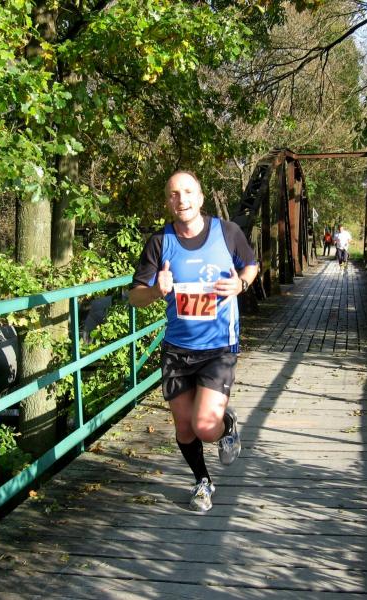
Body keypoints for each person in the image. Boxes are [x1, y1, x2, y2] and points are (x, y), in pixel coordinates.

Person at [129, 171, 259, 513]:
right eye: (174, 193)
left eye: (188, 192)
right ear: (168, 201)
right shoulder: (160, 242)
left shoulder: (227, 232)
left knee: (204, 426)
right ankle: (203, 481)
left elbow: (251, 265)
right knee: (185, 429)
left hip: (218, 348)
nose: (181, 199)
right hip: (177, 349)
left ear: (201, 198)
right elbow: (134, 296)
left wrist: (241, 284)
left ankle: (226, 425)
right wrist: (156, 291)